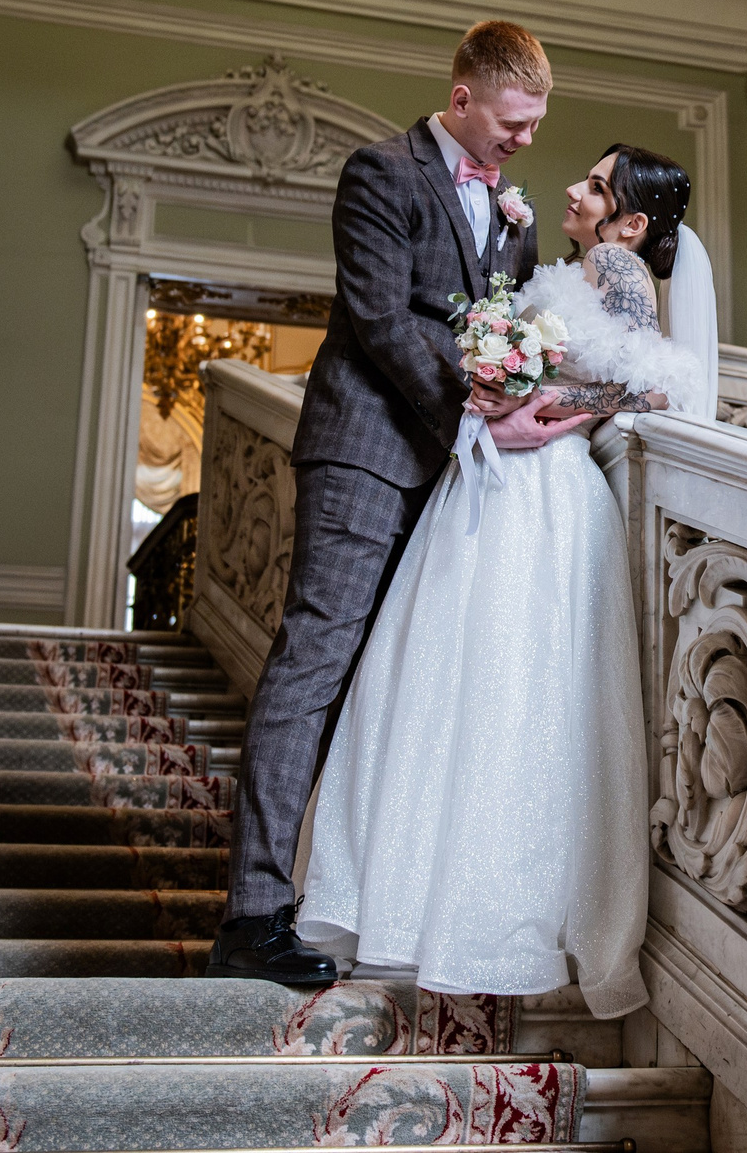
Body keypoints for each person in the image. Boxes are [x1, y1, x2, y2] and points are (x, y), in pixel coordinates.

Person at [296, 145, 717, 1016]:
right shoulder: (577, 261)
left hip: (542, 488)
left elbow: (654, 388)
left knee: (489, 683)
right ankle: (450, 911)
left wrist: (552, 410)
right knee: (470, 679)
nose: (574, 188)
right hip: (504, 477)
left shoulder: (613, 262)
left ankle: (441, 909)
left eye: (597, 186)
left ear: (631, 222)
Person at [209, 20, 558, 987]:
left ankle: (353, 899)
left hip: (450, 479)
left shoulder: (515, 216)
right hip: (366, 452)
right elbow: (377, 315)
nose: (525, 139)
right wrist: (477, 413)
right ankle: (253, 914)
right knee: (311, 668)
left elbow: (500, 328)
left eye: (537, 124)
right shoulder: (381, 172)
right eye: (513, 119)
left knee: (402, 689)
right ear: (462, 98)